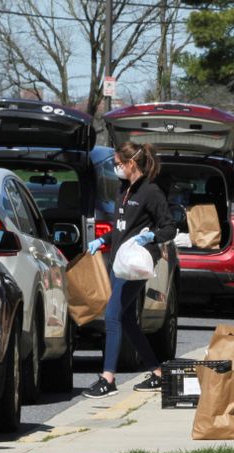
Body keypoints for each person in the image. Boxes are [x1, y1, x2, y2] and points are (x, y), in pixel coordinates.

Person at [83, 142, 176, 398]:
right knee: (126, 319)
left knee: (112, 315)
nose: (116, 168)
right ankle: (157, 373)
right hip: (118, 261)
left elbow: (169, 228)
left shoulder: (151, 192)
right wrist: (103, 240)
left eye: (118, 164)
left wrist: (150, 238)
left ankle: (108, 379)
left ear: (131, 163)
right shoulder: (124, 190)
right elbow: (123, 227)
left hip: (135, 264)